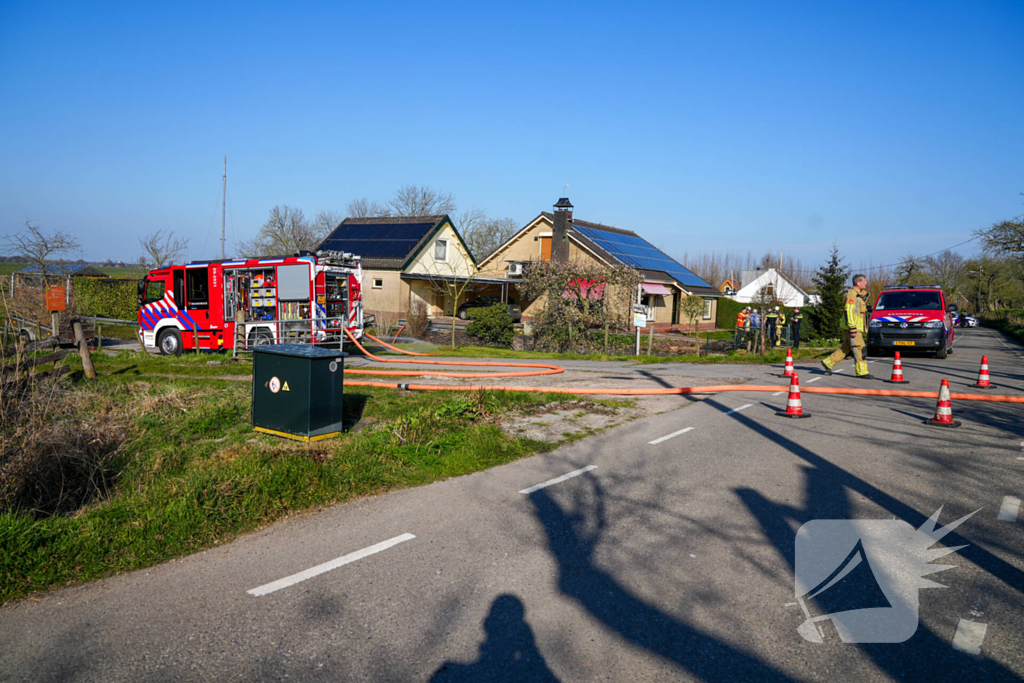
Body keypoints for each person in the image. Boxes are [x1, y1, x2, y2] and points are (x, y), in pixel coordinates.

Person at [822, 274, 872, 378]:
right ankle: (862, 372)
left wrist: (867, 309)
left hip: (853, 327)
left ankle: (828, 362)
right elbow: (849, 310)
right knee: (860, 348)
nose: (866, 282)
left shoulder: (859, 294)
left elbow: (857, 310)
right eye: (864, 281)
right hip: (854, 328)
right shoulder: (852, 294)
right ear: (858, 283)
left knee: (846, 348)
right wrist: (852, 328)